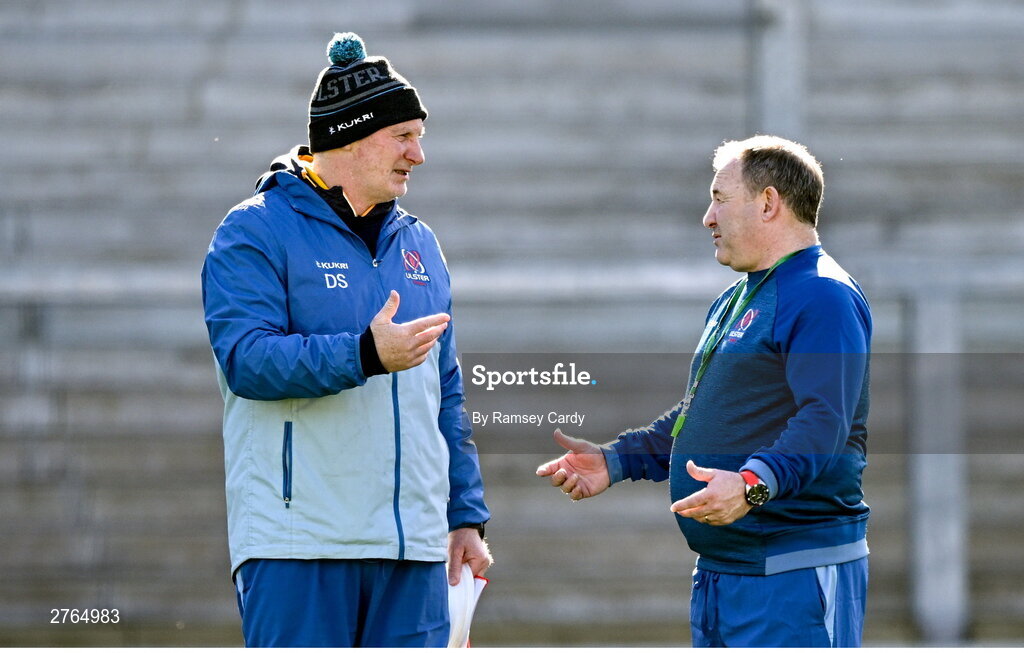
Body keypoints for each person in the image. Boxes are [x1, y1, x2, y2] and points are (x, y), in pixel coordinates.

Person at [201, 32, 491, 647]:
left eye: (420, 136)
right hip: (298, 543)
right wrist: (364, 355)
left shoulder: (421, 244)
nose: (418, 154)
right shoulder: (252, 232)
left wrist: (464, 514)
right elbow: (246, 360)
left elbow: (448, 393)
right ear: (351, 138)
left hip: (413, 547)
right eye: (403, 136)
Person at [537, 135, 871, 647]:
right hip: (723, 575)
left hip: (792, 575)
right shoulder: (736, 299)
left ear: (768, 203)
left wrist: (751, 484)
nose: (707, 217)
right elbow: (699, 416)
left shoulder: (823, 295)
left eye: (719, 197)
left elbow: (824, 421)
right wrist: (618, 460)